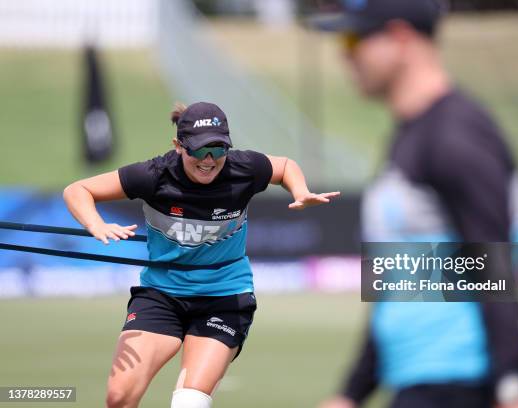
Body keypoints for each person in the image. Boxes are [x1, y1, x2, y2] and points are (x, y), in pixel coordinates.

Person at [313, 1, 518, 407]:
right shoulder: (412, 135)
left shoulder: (454, 135)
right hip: (420, 382)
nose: (345, 54)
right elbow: (402, 287)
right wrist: (352, 392)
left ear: (400, 38)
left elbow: (493, 267)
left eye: (354, 39)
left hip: (462, 383)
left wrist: (514, 384)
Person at [63, 101, 340, 408]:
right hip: (161, 295)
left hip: (224, 297)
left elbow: (285, 166)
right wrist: (95, 223)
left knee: (189, 402)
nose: (209, 160)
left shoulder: (244, 168)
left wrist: (299, 191)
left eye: (219, 149)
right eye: (199, 150)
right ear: (179, 146)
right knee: (119, 397)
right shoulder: (153, 175)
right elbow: (78, 190)